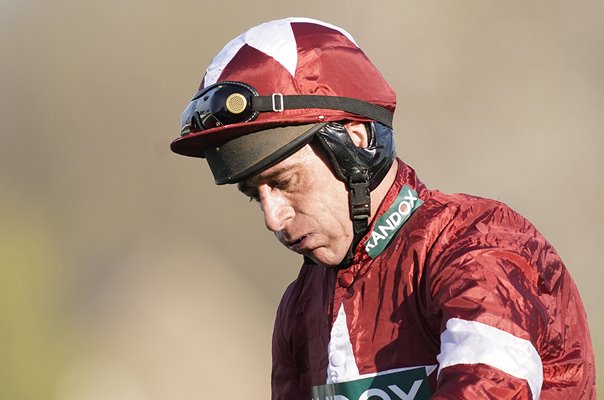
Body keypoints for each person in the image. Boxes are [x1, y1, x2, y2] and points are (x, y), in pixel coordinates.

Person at [170, 17, 595, 400]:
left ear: (354, 142)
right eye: (254, 193)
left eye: (285, 182)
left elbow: (491, 390)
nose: (273, 218)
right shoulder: (300, 307)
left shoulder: (479, 245)